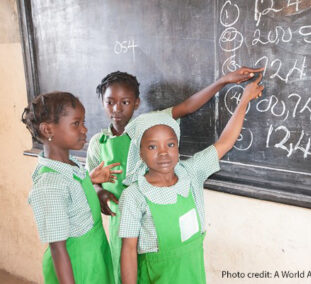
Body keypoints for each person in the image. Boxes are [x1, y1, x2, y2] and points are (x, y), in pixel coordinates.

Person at [86, 68, 263, 283]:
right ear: (140, 152)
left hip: (190, 271)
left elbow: (223, 141)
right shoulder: (133, 193)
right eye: (152, 147)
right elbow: (129, 251)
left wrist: (242, 98)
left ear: (178, 146)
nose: (163, 153)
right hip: (145, 259)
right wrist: (97, 189)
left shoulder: (190, 172)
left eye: (170, 144)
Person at [22, 92, 119, 284]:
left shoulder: (70, 165)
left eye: (83, 122)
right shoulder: (49, 185)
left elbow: (71, 195)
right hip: (76, 266)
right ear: (48, 130)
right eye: (76, 123)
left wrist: (89, 181)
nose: (84, 129)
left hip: (95, 255)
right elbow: (58, 248)